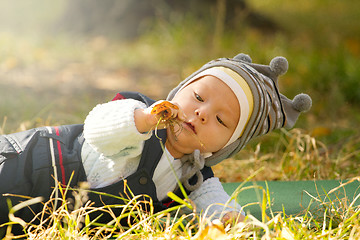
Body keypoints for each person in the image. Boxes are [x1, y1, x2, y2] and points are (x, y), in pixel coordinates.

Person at [0, 53, 311, 234]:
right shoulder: (137, 113)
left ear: (226, 146)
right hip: (25, 164)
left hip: (43, 218)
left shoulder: (195, 174)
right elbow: (97, 130)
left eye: (221, 120)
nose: (202, 113)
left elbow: (215, 201)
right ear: (178, 92)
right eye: (199, 98)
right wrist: (142, 120)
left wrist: (230, 219)